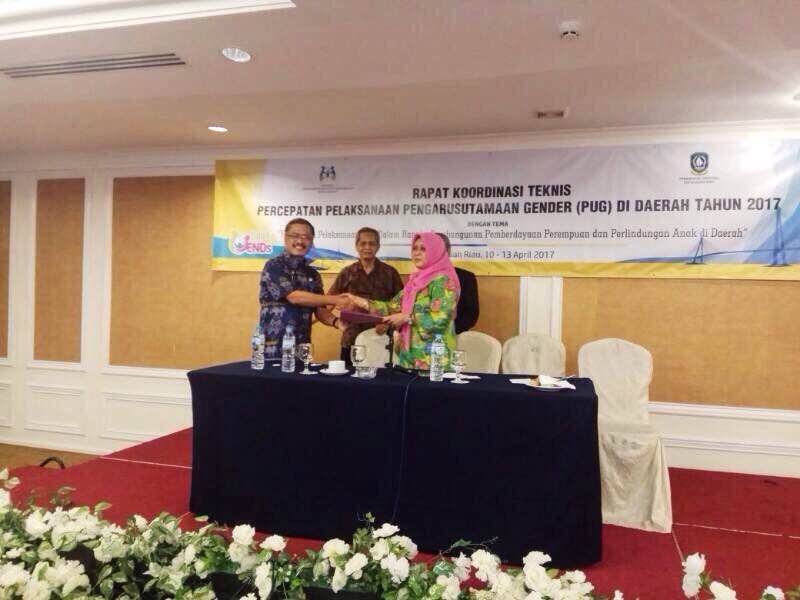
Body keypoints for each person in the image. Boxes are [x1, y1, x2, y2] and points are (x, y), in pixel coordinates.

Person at [347, 231, 460, 371]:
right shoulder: (415, 281)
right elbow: (392, 307)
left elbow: (440, 319)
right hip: (409, 357)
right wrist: (361, 302)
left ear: (436, 252)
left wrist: (407, 318)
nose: (417, 253)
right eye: (414, 248)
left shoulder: (443, 280)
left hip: (435, 359)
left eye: (423, 249)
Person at [259, 218, 348, 359]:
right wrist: (335, 299)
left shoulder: (313, 274)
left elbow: (320, 310)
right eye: (295, 236)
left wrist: (337, 322)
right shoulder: (274, 266)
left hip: (302, 347)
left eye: (306, 237)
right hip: (274, 349)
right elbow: (294, 297)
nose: (300, 241)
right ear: (285, 237)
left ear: (311, 241)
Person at [328, 227, 404, 364]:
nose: (367, 247)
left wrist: (389, 325)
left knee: (381, 377)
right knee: (349, 377)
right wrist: (336, 322)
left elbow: (402, 306)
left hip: (382, 339)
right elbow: (328, 302)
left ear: (378, 246)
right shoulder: (347, 273)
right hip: (351, 339)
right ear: (357, 246)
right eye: (363, 243)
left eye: (372, 243)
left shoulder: (390, 273)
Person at [438, 233, 479, 334]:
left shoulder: (466, 278)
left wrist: (448, 331)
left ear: (448, 251)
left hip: (454, 335)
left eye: (439, 249)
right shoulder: (417, 279)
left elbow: (471, 315)